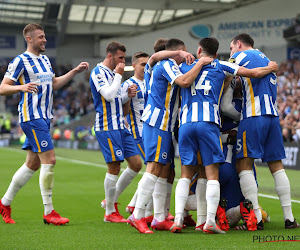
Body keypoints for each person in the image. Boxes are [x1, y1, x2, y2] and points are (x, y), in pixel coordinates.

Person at [171, 37, 278, 234]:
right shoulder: (222, 66)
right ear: (216, 51)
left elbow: (180, 83)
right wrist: (271, 67)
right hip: (210, 124)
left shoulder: (185, 66)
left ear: (199, 50)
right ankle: (211, 220)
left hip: (186, 123)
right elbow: (253, 73)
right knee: (212, 175)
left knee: (186, 175)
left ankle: (177, 218)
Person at [0, 23, 89, 225]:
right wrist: (22, 87)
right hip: (32, 116)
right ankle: (49, 212)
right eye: (41, 37)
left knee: (33, 163)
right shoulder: (20, 61)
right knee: (50, 160)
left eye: (44, 36)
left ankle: (4, 203)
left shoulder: (46, 60)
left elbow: (54, 83)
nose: (45, 40)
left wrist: (74, 71)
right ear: (29, 39)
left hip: (45, 117)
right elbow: (3, 88)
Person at [127, 38, 213, 234]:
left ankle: (158, 218)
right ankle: (137, 216)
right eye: (185, 52)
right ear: (179, 52)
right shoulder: (167, 64)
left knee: (163, 171)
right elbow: (183, 82)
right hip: (157, 122)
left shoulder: (159, 63)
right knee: (154, 168)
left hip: (163, 125)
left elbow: (156, 56)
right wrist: (199, 62)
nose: (189, 55)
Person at [229, 33, 299, 229]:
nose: (231, 52)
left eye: (232, 47)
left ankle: (255, 220)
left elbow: (226, 77)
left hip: (253, 115)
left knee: (243, 164)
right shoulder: (267, 59)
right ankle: (289, 218)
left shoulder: (239, 57)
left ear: (239, 44)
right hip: (273, 116)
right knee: (277, 165)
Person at [89, 41, 142, 223]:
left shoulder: (113, 74)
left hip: (122, 126)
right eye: (120, 58)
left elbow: (118, 98)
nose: (122, 62)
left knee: (136, 164)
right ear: (110, 56)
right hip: (107, 126)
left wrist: (128, 93)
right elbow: (109, 95)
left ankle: (111, 202)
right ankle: (110, 211)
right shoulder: (98, 73)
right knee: (114, 167)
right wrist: (119, 76)